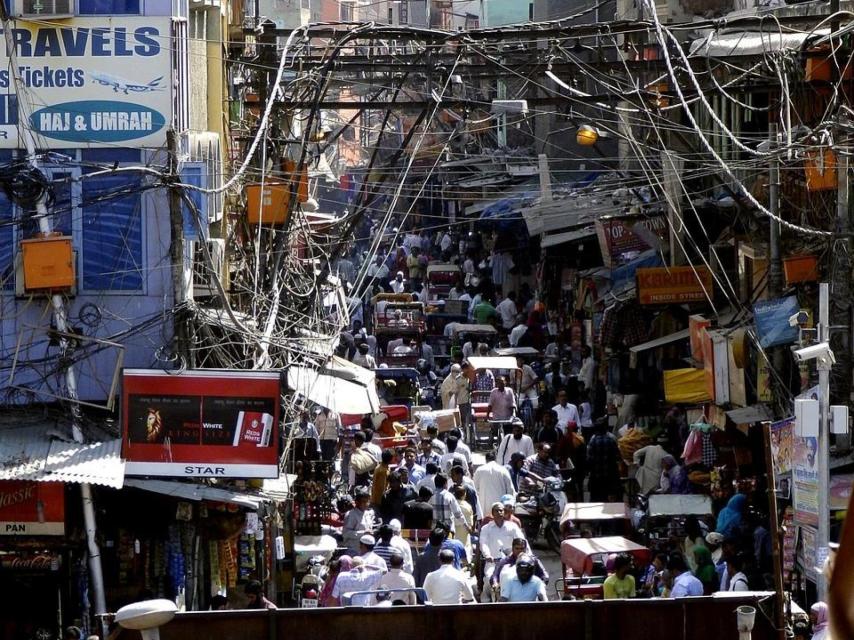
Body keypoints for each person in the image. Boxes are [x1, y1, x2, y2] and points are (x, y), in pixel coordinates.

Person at [480, 502, 526, 582]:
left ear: (504, 512)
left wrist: (527, 554)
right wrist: (487, 555)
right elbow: (483, 544)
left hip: (511, 562)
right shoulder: (486, 528)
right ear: (492, 513)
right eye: (496, 511)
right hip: (493, 563)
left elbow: (522, 540)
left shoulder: (512, 526)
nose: (499, 513)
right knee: (489, 578)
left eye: (501, 510)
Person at [473, 451, 515, 520]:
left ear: (486, 460)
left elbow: (474, 489)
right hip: (500, 508)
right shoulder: (503, 470)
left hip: (484, 508)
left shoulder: (479, 470)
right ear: (495, 459)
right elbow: (510, 490)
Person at [586, 419, 621, 502]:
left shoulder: (592, 441)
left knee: (596, 499)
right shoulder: (611, 440)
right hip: (609, 477)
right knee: (609, 500)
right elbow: (617, 457)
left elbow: (589, 459)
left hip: (596, 477)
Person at [342, 489, 376, 553]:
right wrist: (363, 533)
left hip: (366, 550)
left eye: (367, 501)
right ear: (357, 502)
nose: (366, 504)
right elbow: (345, 533)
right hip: (353, 550)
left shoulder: (367, 513)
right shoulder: (351, 514)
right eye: (363, 501)